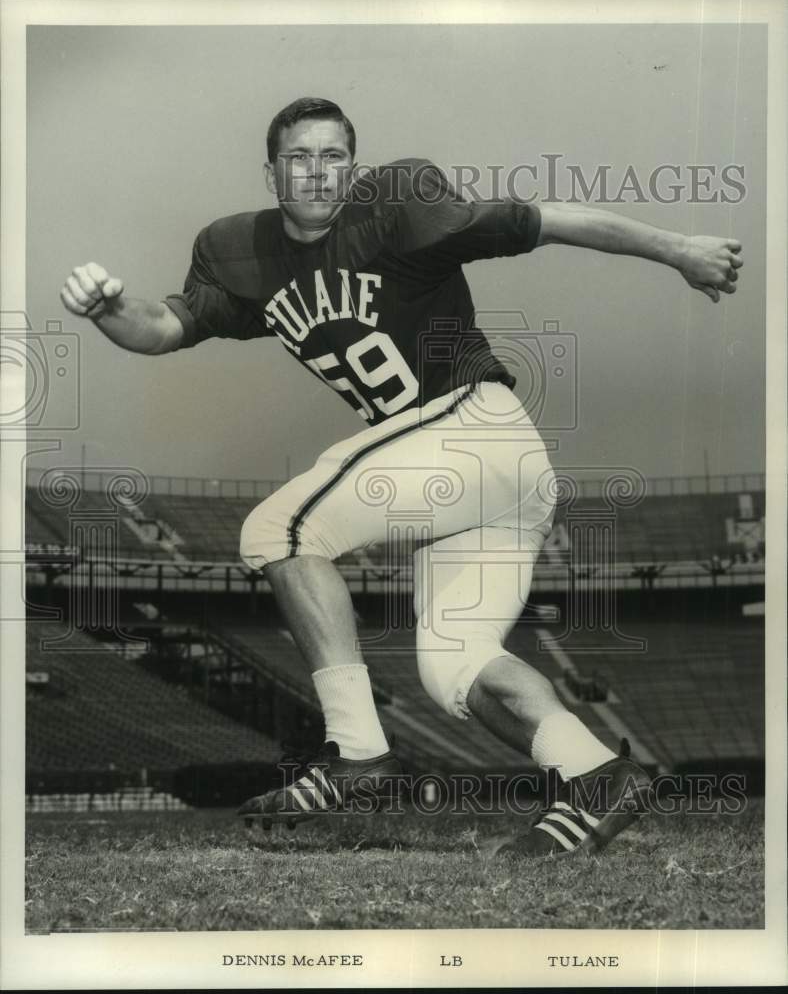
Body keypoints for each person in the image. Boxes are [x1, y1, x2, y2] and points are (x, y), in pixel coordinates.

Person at [60, 97, 743, 857]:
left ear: (353, 167)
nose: (317, 173)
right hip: (476, 481)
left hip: (473, 427)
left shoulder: (396, 207)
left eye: (332, 157)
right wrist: (106, 309)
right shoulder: (241, 252)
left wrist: (679, 248)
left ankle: (358, 759)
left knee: (280, 528)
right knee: (457, 666)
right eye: (299, 158)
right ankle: (598, 776)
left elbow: (548, 218)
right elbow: (163, 327)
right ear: (271, 171)